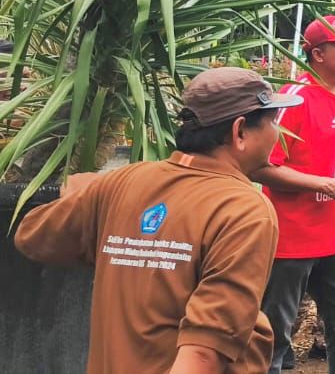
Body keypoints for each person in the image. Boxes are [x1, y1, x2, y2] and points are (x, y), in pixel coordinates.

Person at [15, 66, 299, 373]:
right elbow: (204, 353)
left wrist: (80, 189)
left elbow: (32, 237)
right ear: (240, 131)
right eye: (272, 122)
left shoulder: (122, 182)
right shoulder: (243, 208)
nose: (277, 133)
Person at [253, 15, 335, 374]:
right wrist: (325, 185)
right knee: (274, 333)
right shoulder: (291, 100)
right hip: (291, 240)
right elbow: (261, 167)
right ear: (319, 54)